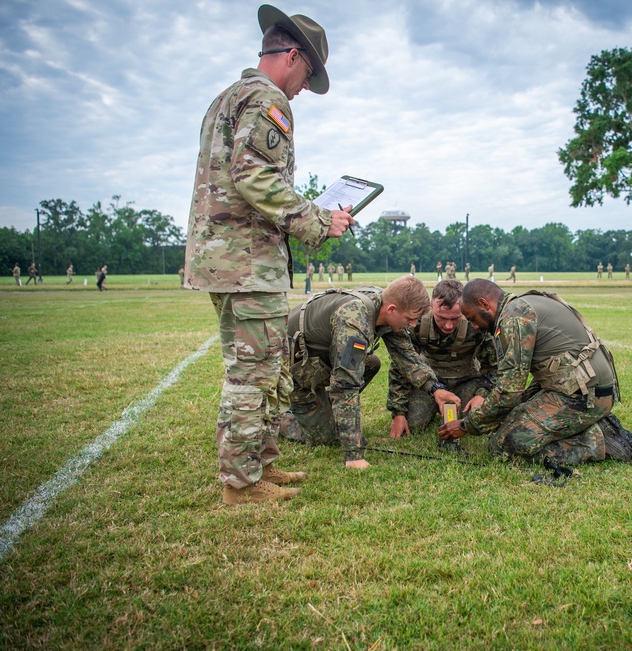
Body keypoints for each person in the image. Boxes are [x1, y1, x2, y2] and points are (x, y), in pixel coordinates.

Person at [184, 5, 354, 505]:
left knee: (263, 366)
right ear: (293, 56)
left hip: (222, 258)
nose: (303, 87)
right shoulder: (266, 98)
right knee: (253, 373)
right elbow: (254, 175)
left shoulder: (227, 98)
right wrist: (319, 222)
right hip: (248, 261)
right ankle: (241, 484)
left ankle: (261, 464)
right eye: (308, 74)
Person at [439, 279, 632, 465]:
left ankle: (598, 440)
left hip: (584, 396)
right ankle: (587, 425)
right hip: (579, 387)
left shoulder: (514, 317)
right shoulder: (523, 303)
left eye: (473, 319)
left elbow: (509, 392)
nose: (474, 326)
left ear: (484, 304)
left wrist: (466, 426)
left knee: (504, 446)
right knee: (506, 419)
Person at [280, 275, 461, 468]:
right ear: (392, 310)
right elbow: (344, 386)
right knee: (327, 437)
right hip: (297, 373)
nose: (413, 325)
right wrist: (354, 455)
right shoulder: (354, 320)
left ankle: (319, 408)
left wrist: (436, 389)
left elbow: (407, 358)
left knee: (371, 363)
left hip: (321, 364)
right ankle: (280, 420)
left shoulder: (387, 305)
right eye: (410, 319)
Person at [387, 279, 497, 441]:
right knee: (414, 425)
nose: (448, 326)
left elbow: (493, 366)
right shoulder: (416, 323)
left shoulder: (476, 324)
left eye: (455, 319)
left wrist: (482, 394)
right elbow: (402, 366)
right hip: (430, 383)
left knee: (477, 419)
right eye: (442, 318)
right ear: (431, 308)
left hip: (466, 381)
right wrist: (399, 413)